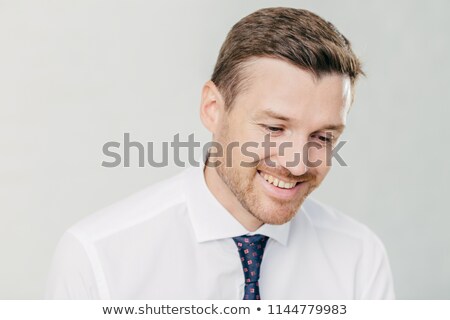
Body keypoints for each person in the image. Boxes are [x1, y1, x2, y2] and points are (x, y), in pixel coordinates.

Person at [46, 7, 395, 299]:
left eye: (323, 136)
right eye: (274, 128)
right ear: (213, 108)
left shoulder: (359, 259)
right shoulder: (98, 258)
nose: (296, 162)